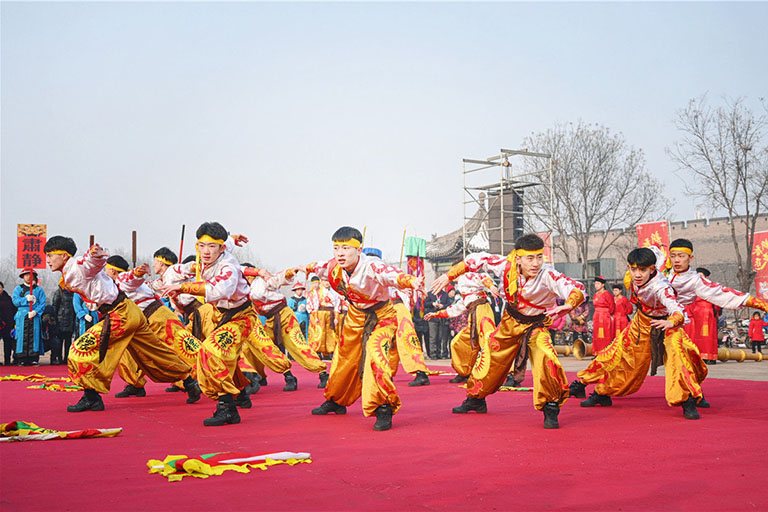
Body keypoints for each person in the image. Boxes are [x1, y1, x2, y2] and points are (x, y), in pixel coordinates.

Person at [568, 246, 754, 421]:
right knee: (615, 355)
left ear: (651, 269)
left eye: (642, 270)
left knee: (681, 357)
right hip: (641, 324)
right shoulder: (631, 277)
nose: (637, 274)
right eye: (634, 269)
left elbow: (678, 308)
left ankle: (689, 398)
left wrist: (671, 321)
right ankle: (596, 390)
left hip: (668, 325)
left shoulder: (664, 285)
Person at [431, 233, 586, 429]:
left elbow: (575, 287)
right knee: (490, 361)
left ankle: (550, 406)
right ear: (518, 257)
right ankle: (476, 398)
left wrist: (569, 305)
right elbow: (475, 259)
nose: (536, 263)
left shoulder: (548, 274)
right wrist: (448, 275)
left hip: (536, 324)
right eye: (530, 258)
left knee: (546, 357)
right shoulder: (505, 265)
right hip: (509, 322)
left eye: (539, 257)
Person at [44, 236, 194, 413]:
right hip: (131, 312)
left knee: (79, 350)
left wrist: (95, 254)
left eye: (50, 255)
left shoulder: (78, 266)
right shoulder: (74, 272)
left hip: (121, 315)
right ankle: (189, 381)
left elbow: (92, 263)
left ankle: (91, 397)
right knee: (154, 353)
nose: (47, 260)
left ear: (64, 256)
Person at [305, 226, 425, 431]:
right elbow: (314, 267)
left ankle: (383, 407)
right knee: (344, 358)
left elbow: (392, 275)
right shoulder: (333, 266)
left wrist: (412, 280)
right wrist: (292, 272)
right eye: (336, 248)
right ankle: (336, 400)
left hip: (382, 316)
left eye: (345, 248)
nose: (340, 253)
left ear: (359, 249)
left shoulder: (372, 266)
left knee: (376, 355)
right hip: (354, 316)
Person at [160, 223, 267, 426]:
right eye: (201, 246)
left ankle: (227, 408)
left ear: (221, 248)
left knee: (210, 351)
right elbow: (176, 271)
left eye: (211, 246)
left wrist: (182, 287)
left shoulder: (229, 266)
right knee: (225, 356)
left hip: (240, 317)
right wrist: (232, 237)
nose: (206, 251)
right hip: (219, 314)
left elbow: (220, 291)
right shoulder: (205, 259)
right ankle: (241, 394)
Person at [104, 255, 202, 403]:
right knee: (129, 352)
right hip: (141, 323)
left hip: (160, 318)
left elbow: (132, 277)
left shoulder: (122, 278)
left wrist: (138, 272)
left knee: (181, 346)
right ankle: (135, 383)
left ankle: (210, 371)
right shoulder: (113, 285)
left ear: (112, 270)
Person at [666, 238, 764, 367]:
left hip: (687, 321)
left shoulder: (697, 282)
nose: (677, 260)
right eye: (673, 256)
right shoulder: (662, 275)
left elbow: (725, 294)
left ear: (690, 258)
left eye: (681, 256)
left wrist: (761, 304)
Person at [243, 266, 328, 389]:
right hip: (270, 320)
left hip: (284, 316)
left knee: (297, 344)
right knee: (258, 346)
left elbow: (277, 279)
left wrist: (289, 273)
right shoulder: (244, 288)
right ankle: (261, 376)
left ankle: (323, 374)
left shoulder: (262, 280)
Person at [424, 271, 497, 387]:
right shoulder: (464, 290)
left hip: (482, 311)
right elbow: (456, 309)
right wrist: (435, 314)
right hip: (473, 315)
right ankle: (464, 372)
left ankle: (505, 373)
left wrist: (491, 286)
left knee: (489, 342)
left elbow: (482, 276)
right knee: (458, 342)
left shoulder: (466, 277)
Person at [12, 269, 47, 366]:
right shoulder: (18, 289)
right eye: (26, 275)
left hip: (34, 315)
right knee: (21, 336)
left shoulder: (39, 290)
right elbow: (15, 301)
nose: (28, 277)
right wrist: (25, 299)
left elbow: (42, 303)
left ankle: (33, 358)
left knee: (34, 335)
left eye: (30, 275)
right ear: (22, 277)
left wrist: (36, 311)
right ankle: (21, 358)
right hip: (22, 316)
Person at [306, 276, 339, 360]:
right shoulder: (317, 292)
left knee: (330, 333)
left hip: (331, 313)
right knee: (320, 333)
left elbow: (337, 305)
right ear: (322, 282)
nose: (327, 283)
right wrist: (316, 316)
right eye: (325, 281)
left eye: (328, 281)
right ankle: (317, 351)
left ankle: (329, 351)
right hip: (321, 313)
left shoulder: (335, 292)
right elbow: (316, 305)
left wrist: (336, 317)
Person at [424, 289, 451, 359]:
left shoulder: (444, 294)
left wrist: (443, 306)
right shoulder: (430, 293)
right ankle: (433, 354)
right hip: (432, 318)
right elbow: (425, 304)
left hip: (442, 318)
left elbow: (449, 304)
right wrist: (432, 304)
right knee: (433, 337)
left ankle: (438, 353)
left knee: (439, 337)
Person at [51, 287, 76, 364]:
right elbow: (55, 306)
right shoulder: (59, 292)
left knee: (68, 341)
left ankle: (67, 358)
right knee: (60, 340)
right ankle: (58, 358)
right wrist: (54, 320)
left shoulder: (74, 292)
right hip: (60, 320)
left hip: (70, 319)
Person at [591, 276, 615, 354]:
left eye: (598, 283)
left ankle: (605, 352)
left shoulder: (607, 294)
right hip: (596, 316)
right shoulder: (595, 295)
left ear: (603, 285)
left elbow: (612, 306)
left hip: (604, 316)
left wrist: (607, 314)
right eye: (595, 284)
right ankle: (597, 352)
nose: (596, 285)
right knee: (596, 334)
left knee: (606, 334)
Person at [0, 281, 17, 365]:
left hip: (8, 325)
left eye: (0, 287)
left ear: (2, 288)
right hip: (0, 324)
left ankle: (7, 360)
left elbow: (13, 310)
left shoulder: (8, 298)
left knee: (8, 343)